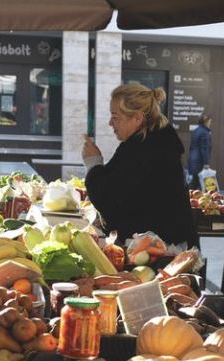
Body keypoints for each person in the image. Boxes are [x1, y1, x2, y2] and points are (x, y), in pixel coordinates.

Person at [81, 83, 198, 248]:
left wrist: (93, 162)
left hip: (163, 250)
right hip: (164, 243)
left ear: (137, 117)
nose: (110, 123)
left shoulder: (144, 150)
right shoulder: (152, 141)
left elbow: (108, 198)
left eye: (115, 117)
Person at [187, 114, 212, 190]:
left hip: (193, 160)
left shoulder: (196, 131)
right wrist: (206, 163)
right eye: (210, 122)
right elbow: (204, 148)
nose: (210, 124)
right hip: (199, 161)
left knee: (195, 181)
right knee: (197, 183)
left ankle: (187, 194)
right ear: (205, 122)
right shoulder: (204, 132)